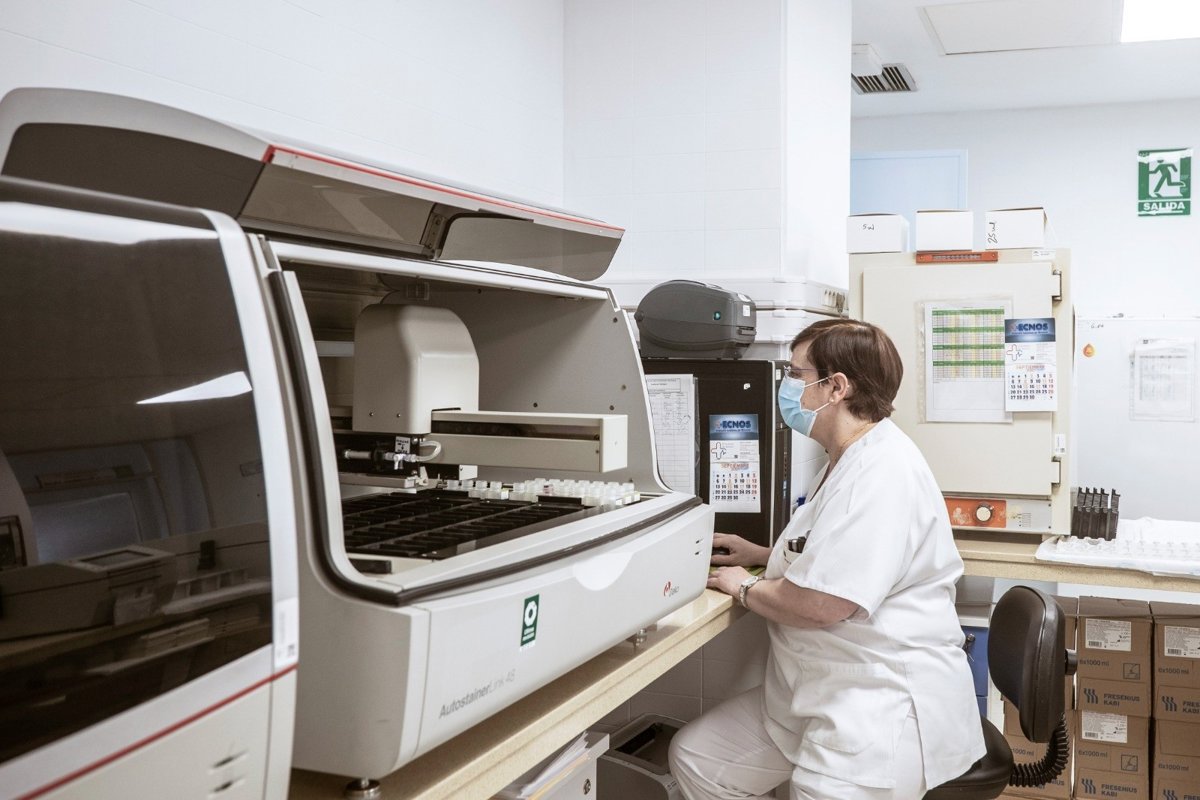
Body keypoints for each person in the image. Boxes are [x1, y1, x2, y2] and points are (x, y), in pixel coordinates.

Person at [668, 318, 986, 800]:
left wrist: (744, 586)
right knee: (699, 759)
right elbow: (835, 555)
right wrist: (763, 556)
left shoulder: (880, 472)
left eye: (795, 374)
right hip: (816, 687)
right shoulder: (847, 455)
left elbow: (823, 603)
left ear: (836, 387)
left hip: (875, 705)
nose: (786, 386)